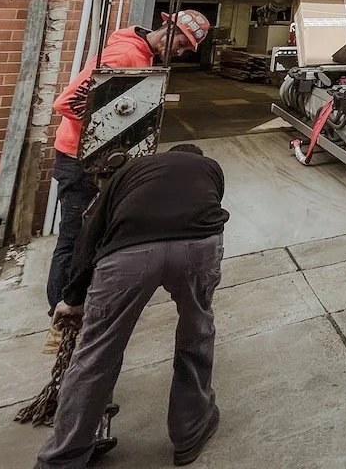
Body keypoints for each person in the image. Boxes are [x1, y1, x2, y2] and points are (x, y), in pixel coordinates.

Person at [34, 143, 229, 469]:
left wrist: (74, 298)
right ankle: (190, 430)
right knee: (197, 331)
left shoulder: (129, 173)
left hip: (129, 253)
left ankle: (63, 457)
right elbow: (208, 210)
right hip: (198, 246)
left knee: (96, 353)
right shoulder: (210, 169)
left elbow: (90, 233)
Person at [44, 10, 212, 350]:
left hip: (99, 160)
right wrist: (114, 130)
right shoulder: (124, 54)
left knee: (93, 236)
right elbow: (68, 102)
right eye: (180, 43)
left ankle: (78, 306)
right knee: (75, 239)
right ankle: (62, 317)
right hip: (81, 162)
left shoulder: (142, 53)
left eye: (185, 49)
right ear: (168, 28)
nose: (179, 52)